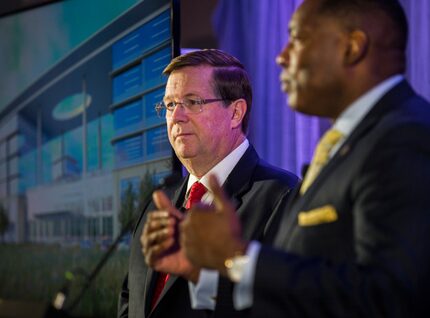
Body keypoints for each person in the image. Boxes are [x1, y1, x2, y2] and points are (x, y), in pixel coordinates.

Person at [150, 0, 430, 317]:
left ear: (352, 47)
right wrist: (205, 273)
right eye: (170, 105)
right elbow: (298, 294)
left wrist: (237, 256)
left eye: (297, 38)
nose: (281, 57)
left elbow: (390, 299)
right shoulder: (350, 147)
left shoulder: (406, 138)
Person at [117, 49, 298, 318]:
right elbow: (129, 302)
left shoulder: (282, 198)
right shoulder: (157, 204)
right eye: (169, 105)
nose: (176, 116)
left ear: (236, 113)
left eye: (192, 102)